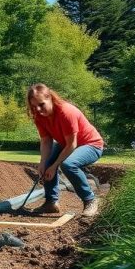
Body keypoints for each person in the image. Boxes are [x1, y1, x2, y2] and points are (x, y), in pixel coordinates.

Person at [27, 83, 104, 214]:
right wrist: (43, 163)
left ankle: (90, 200)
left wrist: (55, 165)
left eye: (41, 104)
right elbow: (46, 141)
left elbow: (72, 145)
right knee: (47, 163)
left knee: (68, 164)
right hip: (66, 144)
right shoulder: (39, 116)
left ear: (49, 97)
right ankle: (51, 203)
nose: (38, 109)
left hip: (91, 145)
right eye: (34, 107)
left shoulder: (66, 112)